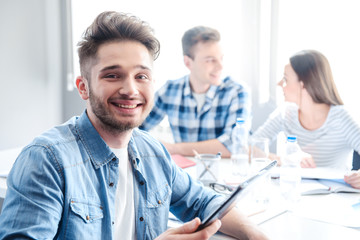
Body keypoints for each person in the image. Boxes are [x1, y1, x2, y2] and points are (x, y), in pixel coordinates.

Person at [0, 11, 268, 240]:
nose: (130, 90)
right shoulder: (46, 160)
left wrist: (258, 235)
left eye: (141, 76)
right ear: (83, 87)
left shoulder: (152, 151)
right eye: (113, 75)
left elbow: (206, 202)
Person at [251, 50, 360, 188]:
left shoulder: (341, 118)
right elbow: (252, 146)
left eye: (285, 79)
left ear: (303, 85)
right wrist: (285, 160)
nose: (279, 84)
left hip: (334, 196)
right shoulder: (285, 113)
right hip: (296, 191)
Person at [139, 26, 251, 158]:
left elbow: (234, 145)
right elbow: (135, 125)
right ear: (188, 62)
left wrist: (173, 149)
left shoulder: (237, 91)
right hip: (183, 173)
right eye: (210, 60)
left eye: (221, 58)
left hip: (222, 174)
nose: (220, 66)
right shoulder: (170, 90)